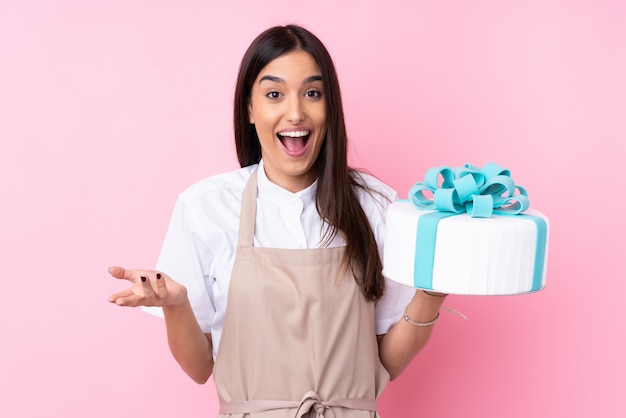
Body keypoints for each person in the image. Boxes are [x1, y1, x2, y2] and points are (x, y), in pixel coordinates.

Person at [108, 24, 447, 417]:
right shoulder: (206, 207)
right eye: (274, 94)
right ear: (250, 109)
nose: (296, 112)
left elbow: (386, 362)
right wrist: (177, 305)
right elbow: (200, 369)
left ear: (330, 106)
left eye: (312, 93)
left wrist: (433, 293)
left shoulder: (375, 204)